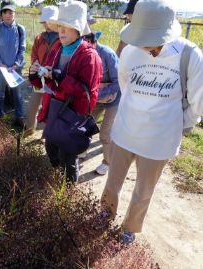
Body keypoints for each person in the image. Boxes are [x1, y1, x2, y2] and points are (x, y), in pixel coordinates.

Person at [100, 0, 203, 244]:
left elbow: (199, 103)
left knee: (144, 190)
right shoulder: (129, 51)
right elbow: (126, 87)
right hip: (125, 130)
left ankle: (129, 228)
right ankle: (103, 215)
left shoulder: (190, 55)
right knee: (113, 181)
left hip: (160, 140)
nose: (143, 44)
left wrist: (177, 123)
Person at [29, 0, 102, 182]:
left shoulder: (89, 56)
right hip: (54, 109)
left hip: (72, 115)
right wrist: (35, 75)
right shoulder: (57, 49)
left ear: (78, 30)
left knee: (67, 157)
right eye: (59, 26)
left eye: (66, 27)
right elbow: (49, 82)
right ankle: (57, 179)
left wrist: (62, 78)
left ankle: (68, 191)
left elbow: (87, 94)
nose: (60, 31)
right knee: (51, 148)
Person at [84, 32, 121, 175]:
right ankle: (81, 151)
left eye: (87, 45)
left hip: (114, 98)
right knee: (86, 124)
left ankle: (108, 163)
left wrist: (99, 92)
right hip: (97, 96)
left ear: (94, 42)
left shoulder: (107, 54)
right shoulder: (85, 54)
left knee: (105, 134)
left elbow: (119, 82)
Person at [24, 5, 60, 137]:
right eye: (45, 22)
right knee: (33, 105)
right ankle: (29, 130)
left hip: (52, 78)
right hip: (39, 77)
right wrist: (35, 64)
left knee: (49, 107)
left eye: (50, 21)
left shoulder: (62, 38)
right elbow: (34, 54)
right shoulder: (40, 37)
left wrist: (51, 71)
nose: (47, 25)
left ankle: (46, 135)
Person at [0, 0, 26, 128]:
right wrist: (0, 63)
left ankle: (19, 117)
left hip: (16, 69)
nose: (8, 14)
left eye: (10, 11)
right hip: (1, 69)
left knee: (18, 94)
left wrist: (16, 64)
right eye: (5, 11)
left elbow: (22, 48)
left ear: (14, 13)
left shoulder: (20, 29)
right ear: (1, 14)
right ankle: (0, 117)